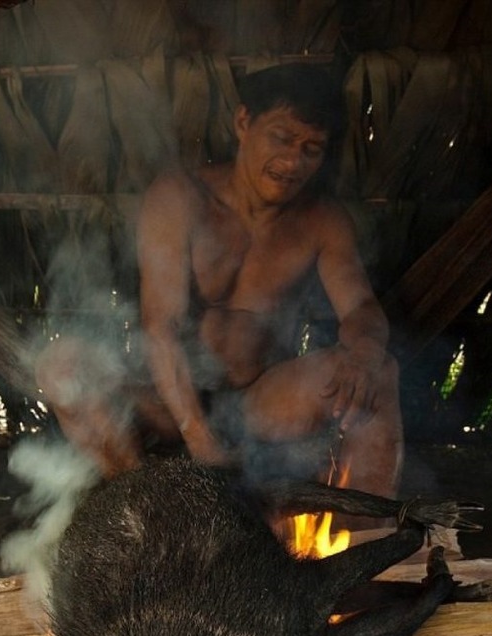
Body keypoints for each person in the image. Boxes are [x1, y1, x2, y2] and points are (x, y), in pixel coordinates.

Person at [36, 63, 403, 497]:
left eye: (311, 148)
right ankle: (144, 505)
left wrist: (363, 352)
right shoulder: (180, 198)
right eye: (282, 138)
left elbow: (360, 308)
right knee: (62, 366)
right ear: (244, 122)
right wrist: (200, 441)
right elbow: (161, 326)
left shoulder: (322, 221)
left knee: (377, 371)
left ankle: (365, 539)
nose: (292, 161)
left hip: (259, 400)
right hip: (165, 403)